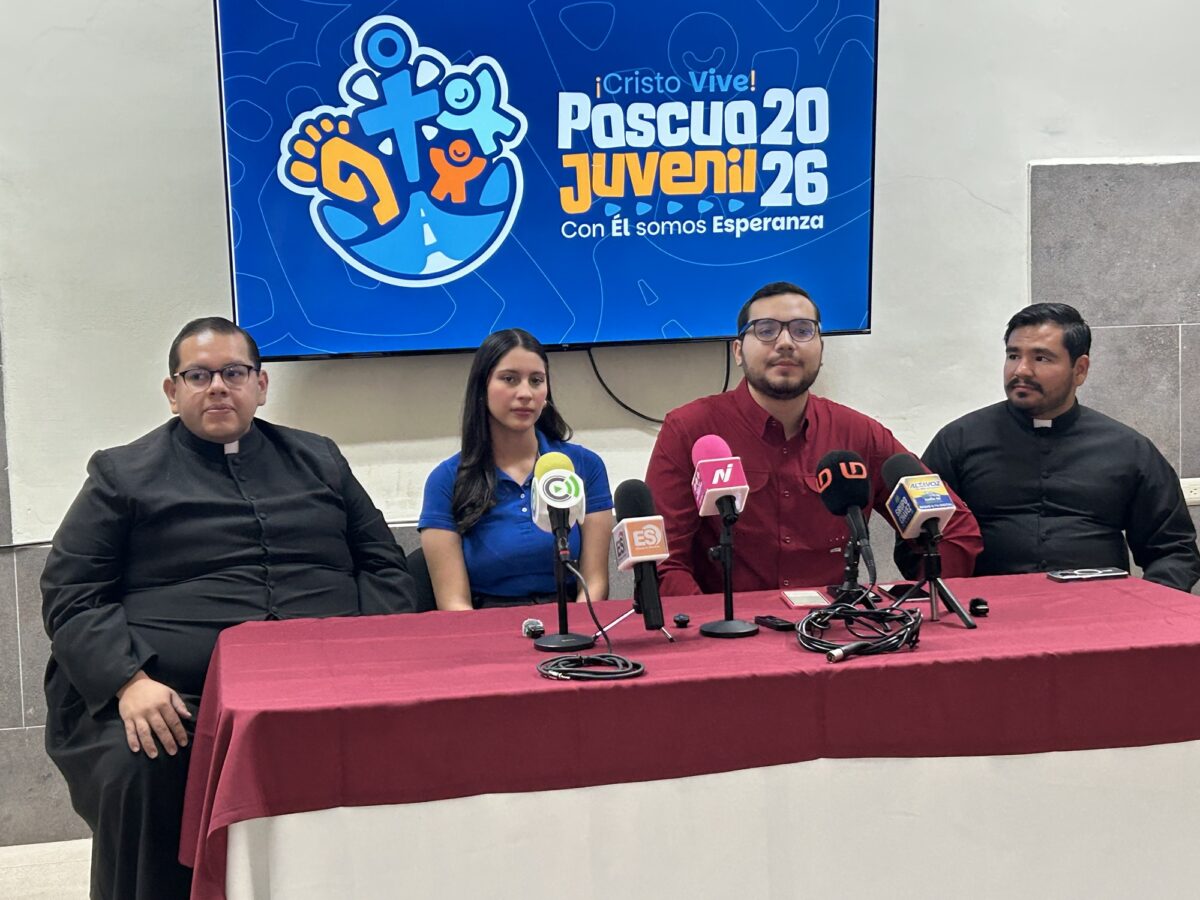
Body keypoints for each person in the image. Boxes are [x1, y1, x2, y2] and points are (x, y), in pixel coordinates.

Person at [41, 317, 416, 900]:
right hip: (178, 696)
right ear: (172, 392)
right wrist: (129, 682)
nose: (218, 387)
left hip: (328, 683)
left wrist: (373, 655)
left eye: (234, 373)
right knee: (143, 762)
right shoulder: (121, 474)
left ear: (260, 385)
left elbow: (384, 564)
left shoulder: (319, 459)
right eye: (198, 375)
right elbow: (72, 592)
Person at [645, 281, 982, 596]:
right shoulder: (689, 430)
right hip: (727, 629)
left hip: (835, 629)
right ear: (738, 351)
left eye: (803, 330)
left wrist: (918, 605)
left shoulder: (859, 434)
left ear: (821, 350)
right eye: (766, 330)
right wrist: (709, 625)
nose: (785, 342)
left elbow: (954, 530)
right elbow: (662, 563)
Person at [898, 302, 1200, 591]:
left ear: (1080, 369)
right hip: (985, 612)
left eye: (1041, 358)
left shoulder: (1129, 449)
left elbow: (1174, 551)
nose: (1021, 370)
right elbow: (915, 543)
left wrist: (1145, 608)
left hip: (1099, 611)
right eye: (1013, 355)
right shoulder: (958, 441)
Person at [419, 329, 613, 608]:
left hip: (570, 619)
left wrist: (580, 628)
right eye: (509, 379)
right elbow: (453, 603)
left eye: (536, 381)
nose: (525, 393)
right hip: (486, 623)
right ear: (482, 388)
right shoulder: (446, 480)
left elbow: (594, 583)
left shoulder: (584, 465)